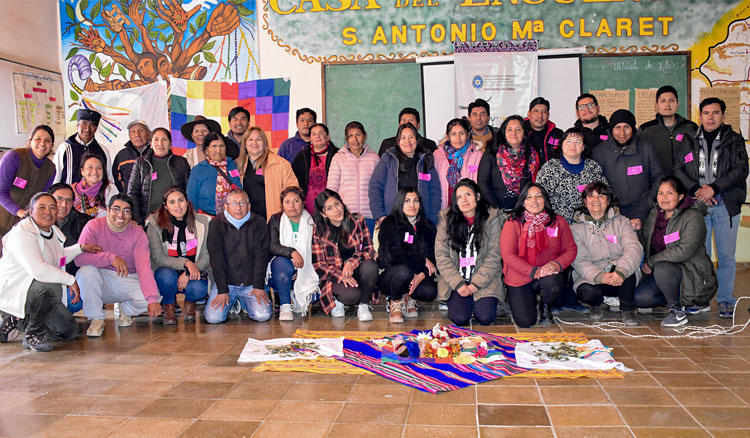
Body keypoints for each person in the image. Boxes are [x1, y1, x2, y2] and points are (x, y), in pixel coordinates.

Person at [673, 97, 747, 318]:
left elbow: (741, 170)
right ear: (700, 116)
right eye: (706, 113)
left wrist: (713, 189)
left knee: (726, 256)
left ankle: (725, 300)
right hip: (697, 207)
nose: (711, 117)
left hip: (726, 205)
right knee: (698, 255)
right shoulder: (688, 140)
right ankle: (700, 298)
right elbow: (678, 169)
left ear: (723, 115)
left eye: (715, 113)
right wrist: (697, 190)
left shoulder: (734, 140)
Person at [0, 193, 99, 351]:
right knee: (50, 286)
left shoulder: (52, 232)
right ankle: (33, 334)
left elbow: (58, 258)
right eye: (42, 207)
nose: (48, 211)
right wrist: (70, 280)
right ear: (31, 211)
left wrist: (81, 248)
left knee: (68, 331)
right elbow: (39, 270)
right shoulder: (22, 233)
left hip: (32, 292)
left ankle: (16, 320)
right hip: (15, 291)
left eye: (52, 207)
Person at [75, 194, 163, 337]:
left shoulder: (137, 233)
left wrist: (152, 299)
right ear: (108, 210)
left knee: (153, 298)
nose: (121, 214)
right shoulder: (94, 226)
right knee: (85, 272)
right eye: (116, 209)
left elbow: (144, 267)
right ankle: (96, 318)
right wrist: (110, 258)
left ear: (131, 215)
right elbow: (79, 259)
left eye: (126, 211)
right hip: (100, 277)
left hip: (127, 278)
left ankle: (125, 309)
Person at [635, 177, 717, 327]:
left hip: (691, 274)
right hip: (663, 274)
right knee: (642, 299)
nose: (664, 197)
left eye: (669, 193)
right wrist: (638, 230)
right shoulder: (655, 215)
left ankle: (677, 310)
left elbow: (683, 251)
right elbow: (646, 242)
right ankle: (679, 298)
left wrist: (651, 262)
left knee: (662, 266)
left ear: (680, 196)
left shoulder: (693, 217)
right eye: (660, 193)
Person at [501, 183, 576, 327]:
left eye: (538, 196)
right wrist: (534, 271)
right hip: (520, 275)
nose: (534, 201)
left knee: (553, 284)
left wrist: (556, 264)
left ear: (545, 199)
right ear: (523, 201)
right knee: (525, 322)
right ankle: (513, 296)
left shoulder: (558, 221)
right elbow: (508, 255)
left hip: (548, 274)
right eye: (529, 197)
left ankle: (545, 305)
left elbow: (570, 249)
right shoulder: (513, 223)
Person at [571, 182, 643, 325]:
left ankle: (628, 309)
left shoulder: (622, 221)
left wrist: (620, 271)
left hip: (620, 275)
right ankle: (596, 304)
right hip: (593, 276)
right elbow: (579, 260)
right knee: (586, 292)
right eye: (590, 196)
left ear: (608, 201)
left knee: (626, 268)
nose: (596, 200)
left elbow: (633, 248)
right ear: (585, 202)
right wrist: (600, 276)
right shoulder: (575, 229)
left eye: (601, 195)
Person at [435, 179, 504, 326]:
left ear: (477, 197)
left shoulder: (492, 219)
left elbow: (494, 256)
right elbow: (441, 256)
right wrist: (459, 284)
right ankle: (465, 301)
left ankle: (483, 300)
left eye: (468, 194)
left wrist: (475, 285)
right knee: (460, 318)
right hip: (457, 280)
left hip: (484, 280)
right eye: (459, 197)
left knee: (485, 318)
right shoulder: (447, 221)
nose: (464, 200)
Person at [205, 189, 272, 324]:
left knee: (262, 316)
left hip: (251, 285)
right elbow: (216, 260)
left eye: (242, 203)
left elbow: (261, 256)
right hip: (226, 284)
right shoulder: (216, 224)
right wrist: (222, 290)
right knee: (214, 318)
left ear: (249, 205)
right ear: (226, 206)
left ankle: (244, 302)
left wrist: (258, 286)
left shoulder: (259, 222)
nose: (238, 207)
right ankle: (232, 301)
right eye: (234, 203)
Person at [145, 187, 210, 324]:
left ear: (187, 202)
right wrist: (186, 263)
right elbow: (158, 258)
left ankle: (190, 302)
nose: (177, 206)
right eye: (172, 202)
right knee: (165, 276)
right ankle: (169, 305)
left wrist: (188, 271)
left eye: (181, 200)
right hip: (168, 269)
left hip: (194, 270)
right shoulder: (155, 225)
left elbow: (206, 256)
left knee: (199, 288)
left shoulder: (203, 222)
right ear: (166, 206)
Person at [311, 189, 378, 322]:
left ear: (342, 203)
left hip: (357, 270)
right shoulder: (318, 231)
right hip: (334, 276)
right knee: (352, 296)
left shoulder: (357, 221)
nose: (336, 210)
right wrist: (340, 275)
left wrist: (350, 263)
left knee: (371, 266)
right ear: (323, 214)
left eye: (337, 204)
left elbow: (369, 249)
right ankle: (337, 300)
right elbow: (318, 265)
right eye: (329, 208)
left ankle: (363, 305)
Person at [592, 109, 664, 225]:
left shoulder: (646, 147)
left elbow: (658, 176)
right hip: (611, 211)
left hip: (643, 210)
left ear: (633, 129)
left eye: (626, 127)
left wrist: (649, 201)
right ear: (611, 129)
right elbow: (596, 184)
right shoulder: (599, 152)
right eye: (617, 127)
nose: (622, 133)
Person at [377, 187, 437, 323]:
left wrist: (421, 274)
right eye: (407, 201)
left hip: (417, 274)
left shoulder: (428, 225)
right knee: (404, 272)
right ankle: (395, 301)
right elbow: (392, 255)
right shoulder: (390, 223)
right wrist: (422, 260)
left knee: (430, 291)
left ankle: (409, 298)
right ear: (400, 203)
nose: (412, 205)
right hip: (392, 275)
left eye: (416, 201)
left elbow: (434, 258)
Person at [369, 123, 441, 225]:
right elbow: (375, 187)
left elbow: (435, 191)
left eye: (411, 137)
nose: (407, 141)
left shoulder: (425, 159)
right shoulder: (388, 158)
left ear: (417, 140)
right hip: (392, 219)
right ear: (398, 142)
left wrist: (431, 219)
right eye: (403, 138)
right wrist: (380, 216)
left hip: (421, 221)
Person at [267, 186, 318, 321]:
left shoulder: (313, 221)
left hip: (308, 272)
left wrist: (300, 270)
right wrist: (292, 253)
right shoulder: (275, 220)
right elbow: (272, 246)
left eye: (296, 201)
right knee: (281, 263)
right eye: (287, 202)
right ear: (282, 205)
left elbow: (318, 249)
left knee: (316, 294)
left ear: (303, 202)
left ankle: (297, 295)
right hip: (280, 273)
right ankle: (285, 305)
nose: (292, 206)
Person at [536, 127, 609, 223]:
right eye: (569, 141)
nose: (573, 145)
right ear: (561, 145)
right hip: (559, 225)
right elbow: (539, 198)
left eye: (578, 142)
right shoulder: (550, 168)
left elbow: (605, 194)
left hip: (589, 224)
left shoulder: (593, 167)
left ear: (583, 147)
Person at [0, 125, 56, 241]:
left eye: (47, 140)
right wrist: (20, 212)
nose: (42, 143)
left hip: (21, 227)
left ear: (52, 145)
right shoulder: (14, 157)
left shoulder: (51, 168)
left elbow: (41, 198)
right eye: (38, 139)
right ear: (30, 141)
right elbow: (1, 192)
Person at [127, 128, 191, 225]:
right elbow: (132, 193)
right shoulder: (140, 163)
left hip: (175, 219)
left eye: (164, 139)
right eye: (156, 139)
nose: (160, 143)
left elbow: (188, 192)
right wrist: (138, 221)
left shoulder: (181, 162)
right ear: (151, 144)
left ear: (170, 144)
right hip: (148, 219)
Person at [478, 114, 540, 212]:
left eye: (518, 129)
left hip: (522, 210)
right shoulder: (492, 153)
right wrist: (497, 209)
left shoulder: (532, 155)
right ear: (504, 133)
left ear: (524, 134)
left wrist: (520, 208)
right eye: (509, 129)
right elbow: (483, 184)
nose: (513, 133)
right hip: (494, 210)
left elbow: (534, 185)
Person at [326, 121, 380, 235]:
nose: (355, 139)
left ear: (365, 137)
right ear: (346, 138)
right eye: (351, 136)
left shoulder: (374, 158)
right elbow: (331, 187)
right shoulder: (338, 158)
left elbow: (379, 188)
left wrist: (379, 214)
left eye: (358, 135)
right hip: (345, 215)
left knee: (368, 250)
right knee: (348, 250)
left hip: (369, 216)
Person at [236, 126, 298, 221]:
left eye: (258, 139)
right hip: (248, 220)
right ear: (245, 144)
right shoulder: (239, 165)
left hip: (273, 218)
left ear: (264, 143)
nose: (254, 143)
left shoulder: (281, 164)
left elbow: (293, 191)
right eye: (250, 139)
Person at [49, 182, 92, 313]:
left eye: (68, 201)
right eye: (59, 199)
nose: (63, 205)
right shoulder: (36, 222)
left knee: (76, 302)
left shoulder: (83, 222)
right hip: (44, 279)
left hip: (71, 279)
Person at [638, 85, 697, 177]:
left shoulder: (691, 127)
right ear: (656, 105)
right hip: (658, 185)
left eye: (672, 100)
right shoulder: (646, 130)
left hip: (686, 185)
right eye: (663, 101)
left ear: (677, 104)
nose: (667, 104)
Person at [186, 132, 242, 216]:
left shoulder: (231, 165)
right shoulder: (198, 170)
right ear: (206, 150)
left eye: (221, 146)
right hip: (208, 218)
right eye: (214, 146)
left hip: (233, 217)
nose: (218, 150)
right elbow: (192, 198)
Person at [53, 109, 113, 185]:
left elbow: (109, 179)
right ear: (77, 125)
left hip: (96, 195)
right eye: (84, 123)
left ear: (96, 129)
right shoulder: (65, 148)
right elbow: (55, 178)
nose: (87, 129)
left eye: (92, 125)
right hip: (70, 195)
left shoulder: (103, 150)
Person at [433, 118, 483, 209]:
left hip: (468, 209)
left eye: (462, 133)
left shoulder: (477, 155)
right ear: (448, 136)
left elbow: (480, 185)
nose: (458, 138)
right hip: (444, 208)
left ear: (468, 135)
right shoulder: (437, 155)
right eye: (453, 134)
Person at [291, 123, 339, 215]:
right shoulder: (303, 156)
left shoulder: (337, 155)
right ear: (310, 139)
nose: (317, 136)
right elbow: (294, 180)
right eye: (313, 134)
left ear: (328, 136)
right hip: (308, 205)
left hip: (331, 205)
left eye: (321, 133)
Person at [72, 153, 118, 218]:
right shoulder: (72, 190)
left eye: (99, 168)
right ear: (82, 171)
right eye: (90, 167)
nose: (94, 172)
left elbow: (117, 215)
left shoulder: (110, 189)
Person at [524, 97, 564, 166]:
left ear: (548, 115)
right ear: (529, 114)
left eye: (544, 112)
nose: (540, 115)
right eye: (536, 111)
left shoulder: (557, 135)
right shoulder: (521, 133)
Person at [112, 120, 150, 192]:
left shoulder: (155, 153)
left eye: (141, 130)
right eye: (133, 132)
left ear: (148, 133)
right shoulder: (122, 156)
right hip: (130, 200)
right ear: (129, 136)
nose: (137, 135)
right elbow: (117, 180)